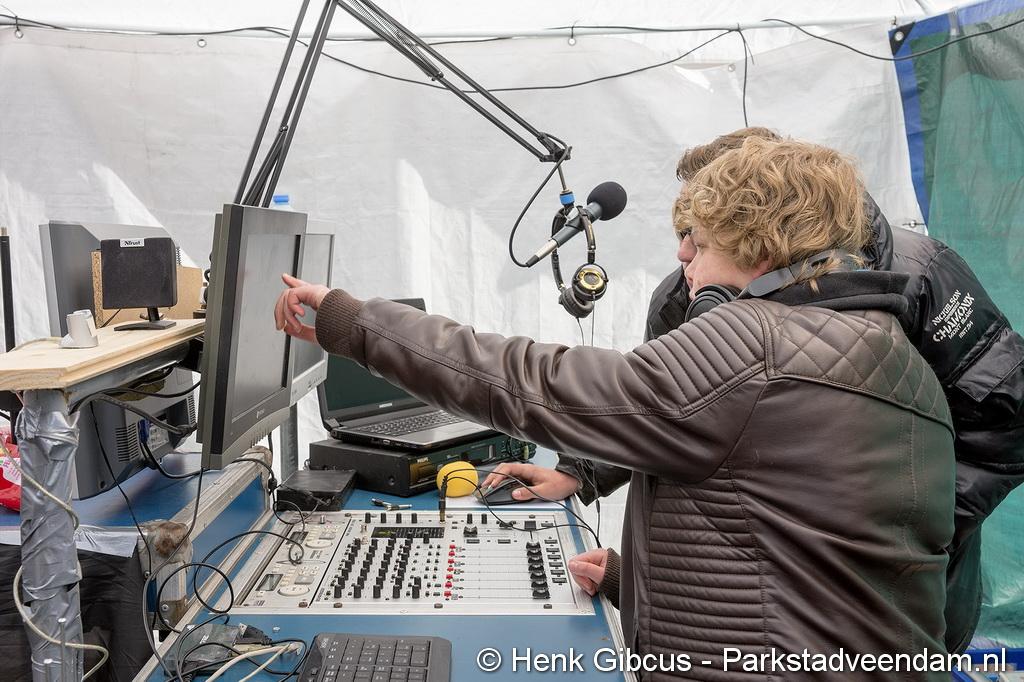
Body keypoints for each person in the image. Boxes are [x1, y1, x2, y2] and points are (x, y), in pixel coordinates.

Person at [277, 138, 955, 680]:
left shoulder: (759, 346)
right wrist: (638, 581)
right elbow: (810, 554)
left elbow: (537, 383)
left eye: (701, 242)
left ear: (762, 246)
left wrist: (354, 323)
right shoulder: (897, 360)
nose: (683, 257)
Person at [540, 127, 1024, 654]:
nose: (683, 252)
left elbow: (1007, 422)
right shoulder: (684, 297)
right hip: (750, 609)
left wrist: (906, 531)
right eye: (685, 230)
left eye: (701, 231)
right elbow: (663, 408)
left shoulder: (923, 276)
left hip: (898, 596)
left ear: (763, 220)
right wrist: (580, 469)